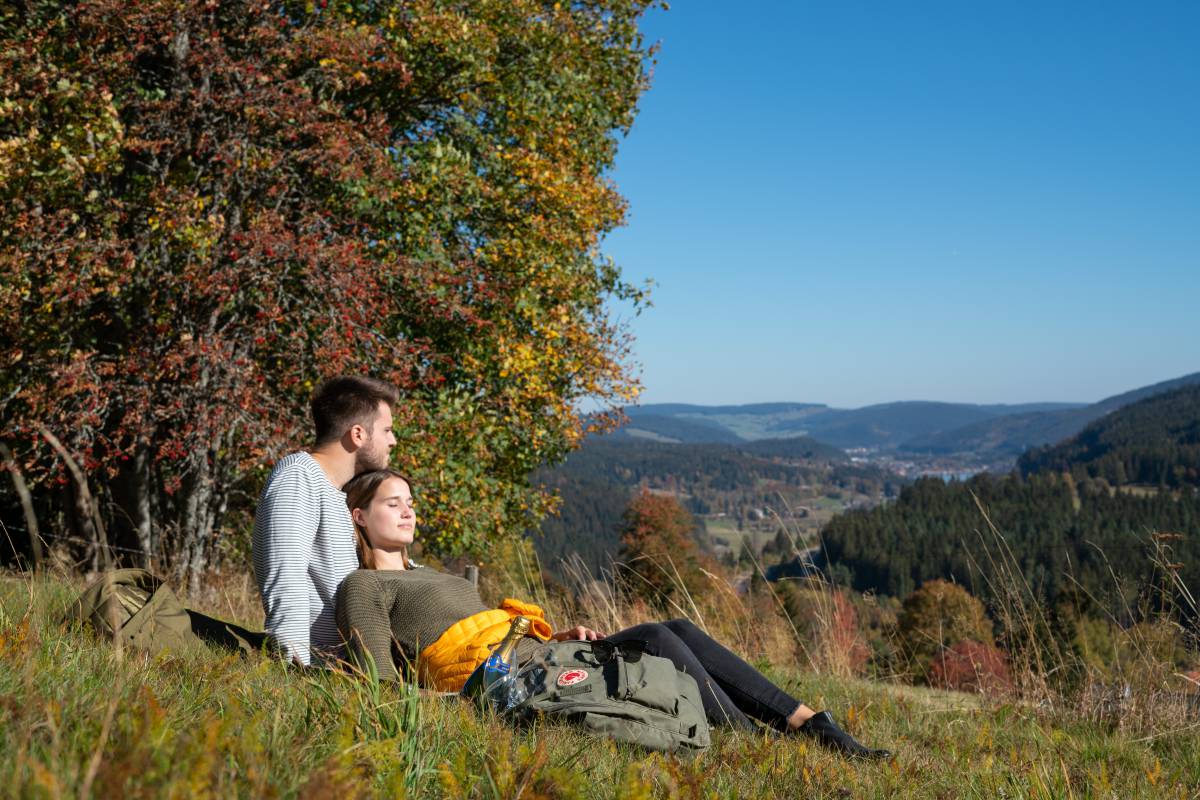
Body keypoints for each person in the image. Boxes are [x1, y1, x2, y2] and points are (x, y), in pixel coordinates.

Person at [335, 468, 891, 759]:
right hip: (510, 682)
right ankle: (752, 735)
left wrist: (562, 633)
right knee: (654, 634)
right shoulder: (364, 585)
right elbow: (380, 684)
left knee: (673, 629)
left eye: (410, 502)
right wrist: (456, 700)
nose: (408, 511)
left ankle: (805, 721)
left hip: (541, 655)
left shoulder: (427, 573)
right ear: (359, 516)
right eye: (393, 503)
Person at [252, 376, 398, 666]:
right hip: (316, 673)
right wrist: (295, 675)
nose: (393, 440)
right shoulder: (298, 476)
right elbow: (286, 581)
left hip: (344, 671)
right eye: (387, 430)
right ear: (358, 434)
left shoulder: (336, 495)